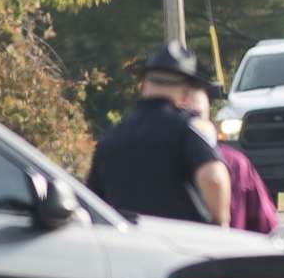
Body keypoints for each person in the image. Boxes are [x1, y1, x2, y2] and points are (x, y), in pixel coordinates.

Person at [85, 42, 233, 226]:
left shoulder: (110, 137)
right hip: (186, 244)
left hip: (128, 244)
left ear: (144, 85)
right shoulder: (188, 129)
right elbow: (214, 179)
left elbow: (91, 200)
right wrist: (221, 223)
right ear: (186, 93)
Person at [192, 80, 278, 235]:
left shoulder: (236, 164)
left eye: (194, 115)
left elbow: (267, 227)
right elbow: (268, 230)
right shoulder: (233, 163)